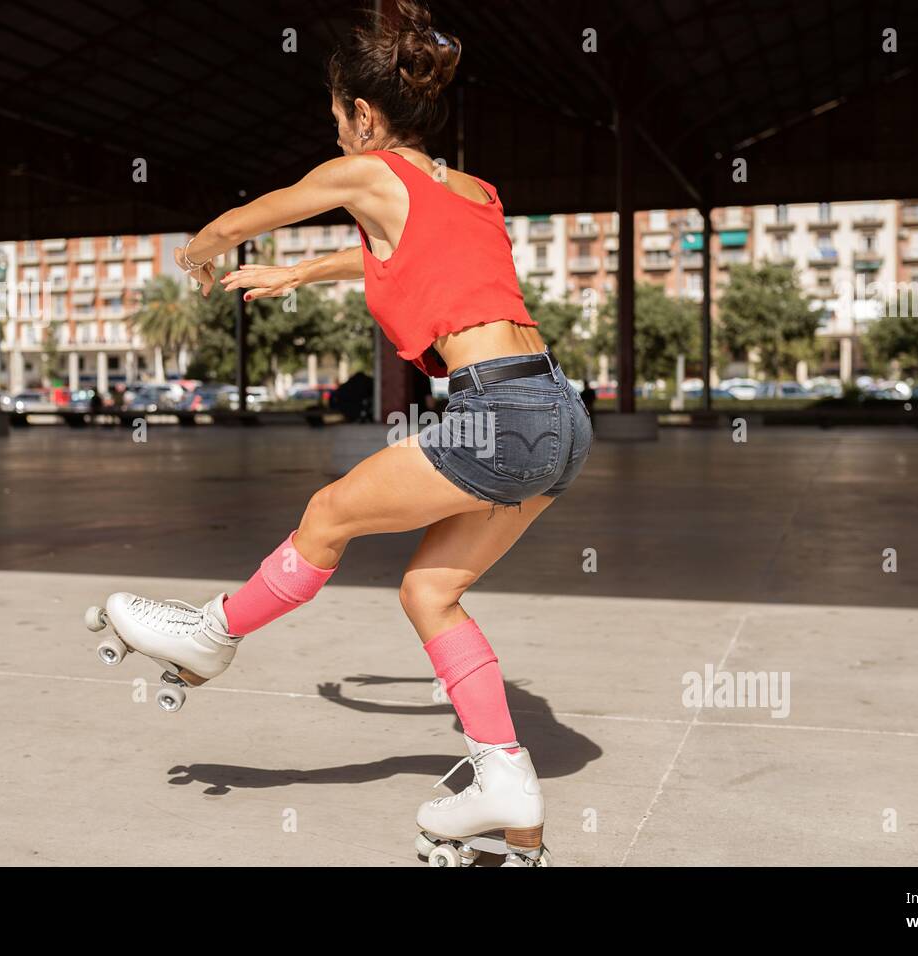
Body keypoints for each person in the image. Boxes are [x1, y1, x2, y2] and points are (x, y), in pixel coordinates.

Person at [91, 0, 591, 865]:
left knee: (327, 514)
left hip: (498, 417)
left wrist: (202, 248)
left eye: (336, 118)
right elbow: (399, 255)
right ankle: (505, 777)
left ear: (362, 117)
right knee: (428, 592)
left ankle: (211, 636)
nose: (337, 132)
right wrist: (302, 271)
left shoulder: (367, 171)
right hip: (557, 415)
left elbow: (260, 210)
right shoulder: (474, 192)